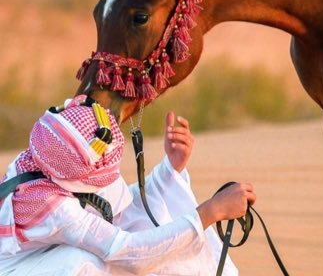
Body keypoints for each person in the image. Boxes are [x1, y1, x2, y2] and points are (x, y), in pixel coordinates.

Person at [0, 95, 256, 275]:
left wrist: (171, 167)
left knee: (142, 222)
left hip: (38, 256)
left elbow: (119, 211)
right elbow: (130, 253)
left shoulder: (50, 154)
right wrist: (210, 213)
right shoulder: (54, 208)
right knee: (87, 265)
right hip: (16, 269)